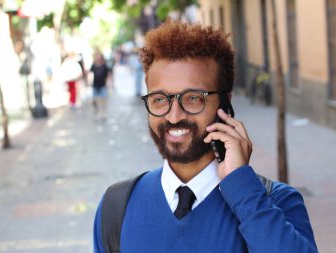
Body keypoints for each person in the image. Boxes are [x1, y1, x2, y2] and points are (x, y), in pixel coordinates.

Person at [93, 20, 318, 252]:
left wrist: (242, 187)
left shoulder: (275, 203)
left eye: (193, 98)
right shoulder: (116, 206)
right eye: (159, 99)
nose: (173, 116)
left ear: (225, 102)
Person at [90, 50, 110, 120]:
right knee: (95, 100)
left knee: (103, 100)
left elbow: (108, 75)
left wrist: (109, 83)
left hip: (103, 85)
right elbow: (90, 73)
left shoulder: (104, 65)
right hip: (95, 85)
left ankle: (103, 113)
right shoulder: (93, 65)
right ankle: (97, 112)